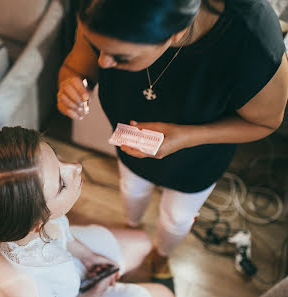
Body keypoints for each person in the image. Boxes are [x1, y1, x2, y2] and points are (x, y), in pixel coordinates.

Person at [57, 0, 288, 291]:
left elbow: (266, 122)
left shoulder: (253, 44)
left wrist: (186, 137)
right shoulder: (99, 6)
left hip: (200, 155)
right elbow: (78, 67)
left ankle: (161, 255)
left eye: (121, 57)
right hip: (130, 140)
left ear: (175, 34)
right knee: (131, 190)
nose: (103, 62)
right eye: (97, 46)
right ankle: (134, 233)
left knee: (178, 218)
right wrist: (71, 83)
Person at [0, 126, 173, 297]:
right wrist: (98, 289)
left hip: (69, 259)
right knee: (163, 293)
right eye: (61, 184)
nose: (76, 168)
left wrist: (88, 257)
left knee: (142, 241)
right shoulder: (25, 289)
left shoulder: (13, 217)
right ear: (35, 225)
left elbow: (61, 233)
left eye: (56, 156)